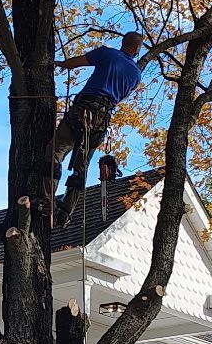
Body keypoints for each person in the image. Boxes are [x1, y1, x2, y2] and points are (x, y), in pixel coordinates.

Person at [53, 32, 144, 219]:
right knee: (82, 164)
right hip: (101, 119)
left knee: (56, 151)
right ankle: (65, 210)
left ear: (123, 43)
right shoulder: (136, 74)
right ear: (136, 49)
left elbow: (76, 62)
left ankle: (46, 196)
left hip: (83, 110)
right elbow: (122, 96)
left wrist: (60, 64)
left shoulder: (107, 54)